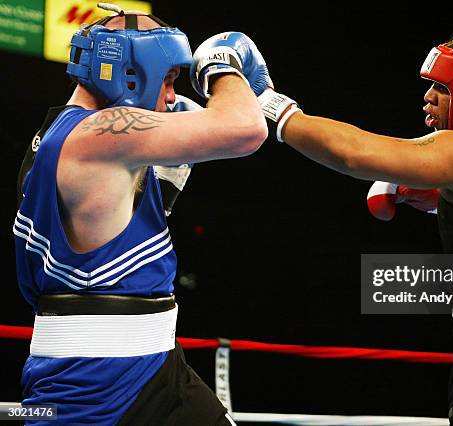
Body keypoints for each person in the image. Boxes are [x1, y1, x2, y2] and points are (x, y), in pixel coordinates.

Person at [204, 29, 453, 424]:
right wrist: (439, 200)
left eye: (442, 88)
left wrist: (272, 105)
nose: (428, 97)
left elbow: (352, 153)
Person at [13, 4, 268, 425]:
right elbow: (246, 129)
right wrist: (223, 65)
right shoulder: (97, 135)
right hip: (93, 384)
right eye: (168, 79)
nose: (170, 95)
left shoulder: (60, 133)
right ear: (130, 72)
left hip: (159, 364)